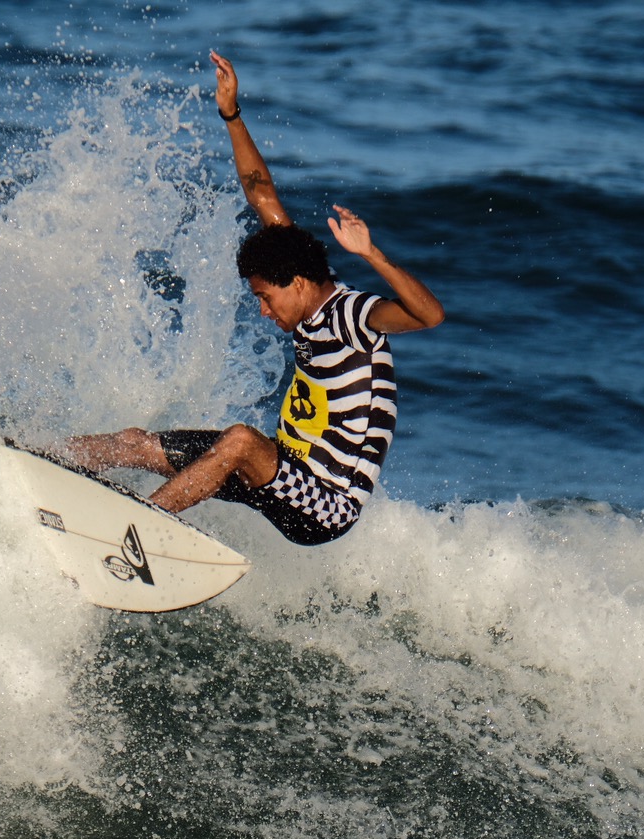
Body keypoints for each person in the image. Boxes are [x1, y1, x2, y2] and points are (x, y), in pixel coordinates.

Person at [66, 52, 445, 545]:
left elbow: (428, 315)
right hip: (281, 467)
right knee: (136, 443)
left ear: (299, 284)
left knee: (241, 440)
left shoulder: (351, 315)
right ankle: (41, 458)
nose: (264, 311)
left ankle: (133, 535)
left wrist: (371, 253)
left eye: (266, 298)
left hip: (326, 503)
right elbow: (261, 194)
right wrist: (231, 113)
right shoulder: (301, 278)